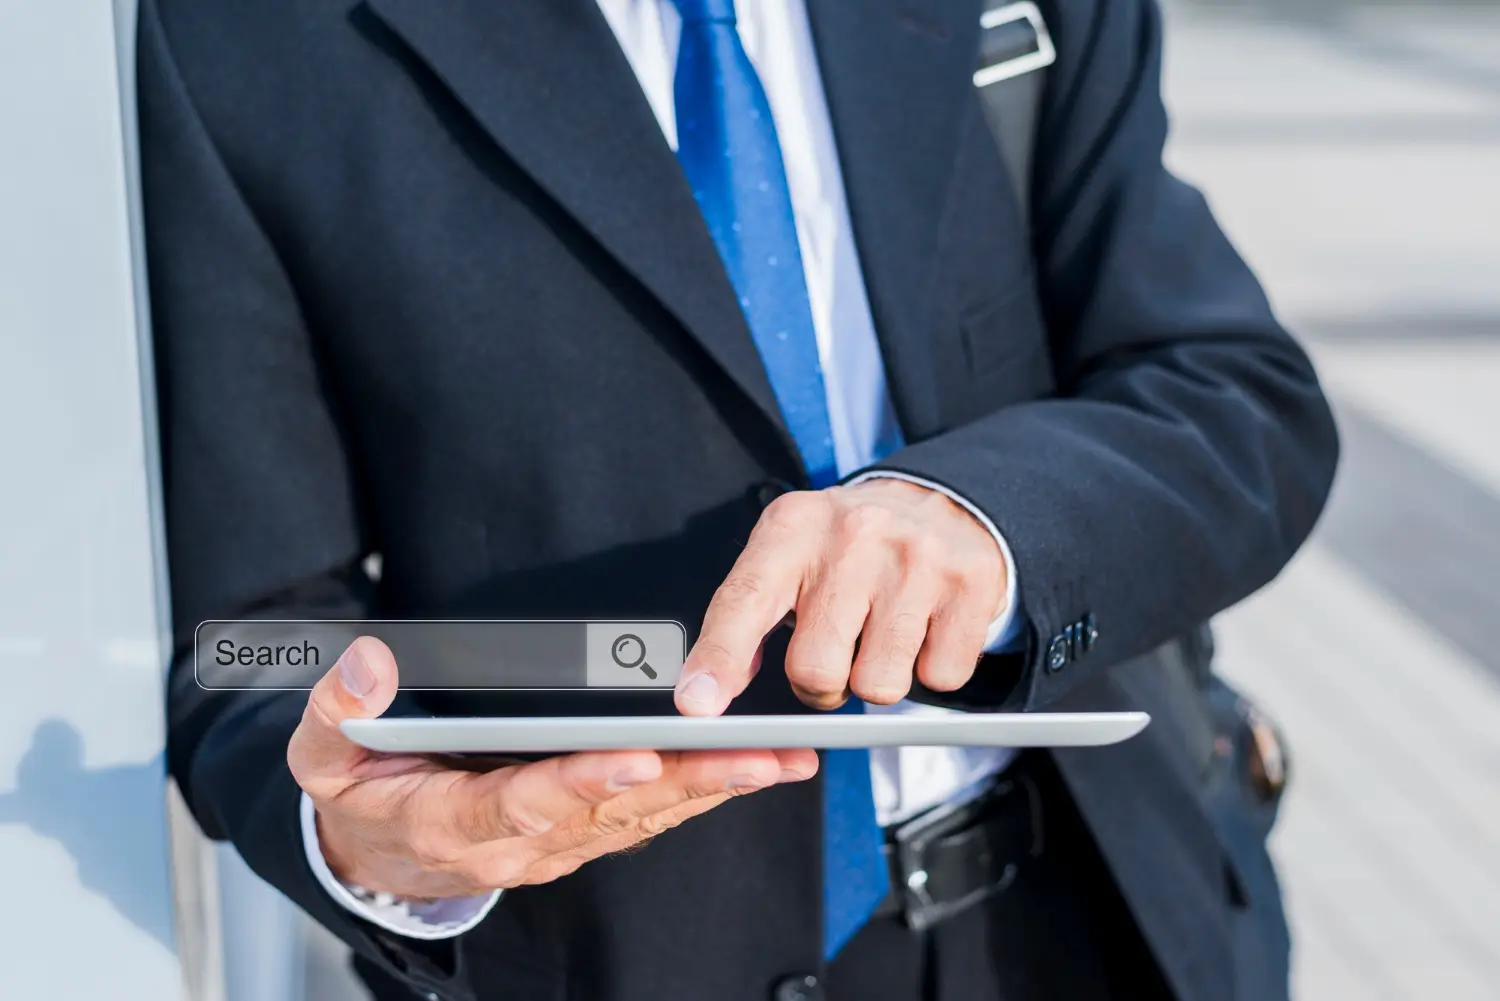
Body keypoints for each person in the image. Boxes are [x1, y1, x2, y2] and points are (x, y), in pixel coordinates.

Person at [140, 0, 1338, 999]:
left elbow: (1232, 388)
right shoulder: (242, 40)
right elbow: (252, 635)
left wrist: (995, 520)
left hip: (1102, 909)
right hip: (615, 949)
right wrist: (366, 841)